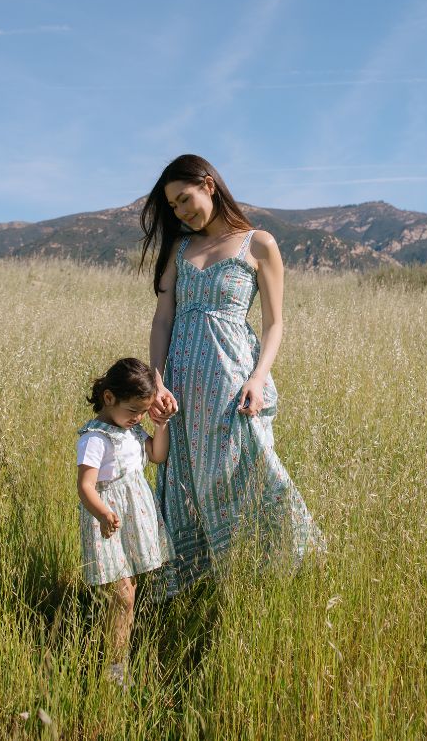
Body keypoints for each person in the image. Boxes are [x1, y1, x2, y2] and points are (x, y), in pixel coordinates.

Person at [140, 154, 325, 598]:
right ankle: (196, 587)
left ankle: (264, 576)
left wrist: (259, 378)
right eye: (172, 206)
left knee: (248, 471)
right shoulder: (179, 249)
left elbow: (274, 324)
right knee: (185, 477)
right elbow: (162, 319)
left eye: (184, 199)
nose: (180, 212)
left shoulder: (258, 244)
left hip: (232, 382)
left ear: (209, 184)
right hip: (179, 388)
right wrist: (157, 382)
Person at [77, 357, 174, 686]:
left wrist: (161, 425)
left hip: (133, 522)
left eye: (143, 412)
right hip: (108, 524)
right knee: (123, 596)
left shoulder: (131, 430)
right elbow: (85, 487)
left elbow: (157, 455)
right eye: (133, 410)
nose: (138, 418)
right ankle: (115, 669)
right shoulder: (95, 438)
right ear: (109, 398)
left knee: (127, 592)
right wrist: (103, 513)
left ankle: (118, 659)